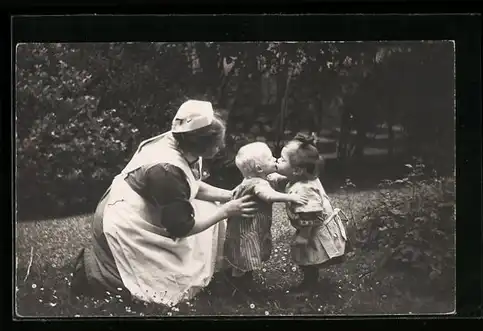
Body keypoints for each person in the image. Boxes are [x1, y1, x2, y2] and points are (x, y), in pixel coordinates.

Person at [70, 100, 258, 306]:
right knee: (164, 288)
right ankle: (91, 274)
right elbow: (180, 227)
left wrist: (231, 196)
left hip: (151, 205)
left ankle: (222, 274)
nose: (221, 147)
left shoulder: (182, 145)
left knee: (210, 210)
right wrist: (226, 211)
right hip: (126, 220)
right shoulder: (166, 169)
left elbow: (192, 186)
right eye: (216, 144)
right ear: (200, 144)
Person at [269, 133, 350, 296]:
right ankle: (310, 281)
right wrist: (280, 176)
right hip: (310, 226)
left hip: (314, 229)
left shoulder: (305, 190)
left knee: (307, 257)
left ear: (297, 170)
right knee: (306, 256)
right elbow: (292, 178)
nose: (277, 159)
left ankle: (309, 285)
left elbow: (312, 214)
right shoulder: (304, 178)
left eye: (283, 160)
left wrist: (304, 235)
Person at [223, 142, 308, 290]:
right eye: (270, 158)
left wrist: (293, 174)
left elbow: (278, 179)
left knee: (247, 255)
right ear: (259, 168)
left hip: (249, 226)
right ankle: (238, 286)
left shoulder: (263, 178)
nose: (275, 159)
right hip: (246, 229)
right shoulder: (256, 183)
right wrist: (290, 198)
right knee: (245, 255)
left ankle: (242, 280)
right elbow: (268, 196)